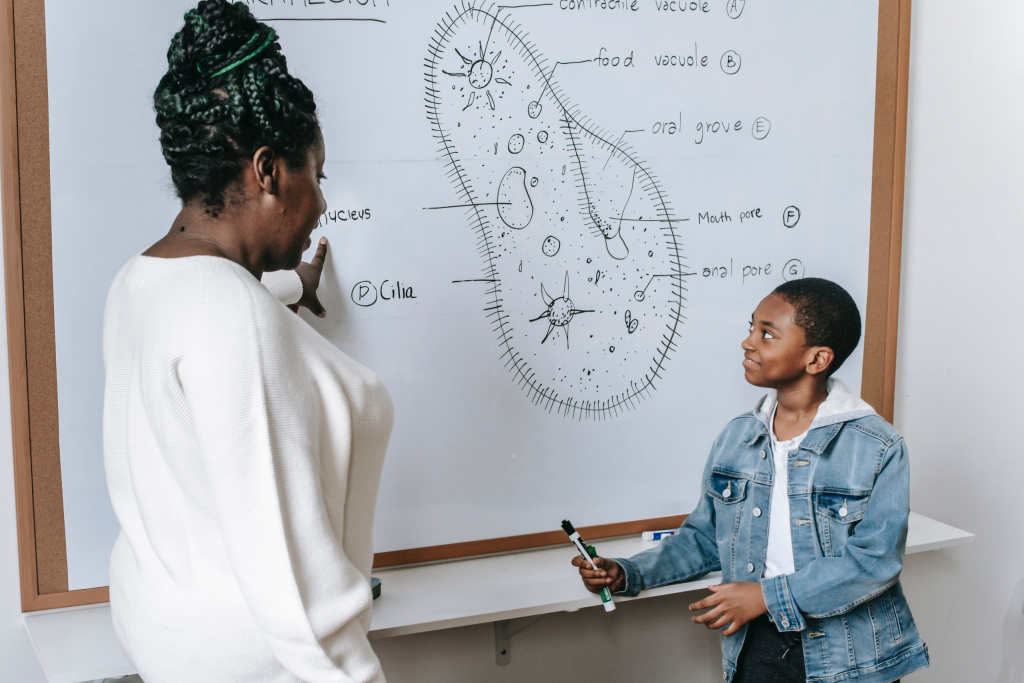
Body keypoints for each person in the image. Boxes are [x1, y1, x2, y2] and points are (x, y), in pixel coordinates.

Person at [102, 2, 391, 681]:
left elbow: (210, 329)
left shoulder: (142, 280)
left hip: (168, 646)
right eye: (316, 175)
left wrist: (297, 284)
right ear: (267, 171)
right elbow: (300, 597)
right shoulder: (230, 317)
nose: (321, 202)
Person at [573, 278, 929, 683]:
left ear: (816, 359)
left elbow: (874, 561)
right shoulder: (738, 437)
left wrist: (765, 596)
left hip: (852, 656)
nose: (748, 342)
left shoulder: (878, 446)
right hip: (756, 646)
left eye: (766, 334)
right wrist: (628, 573)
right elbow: (704, 537)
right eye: (750, 328)